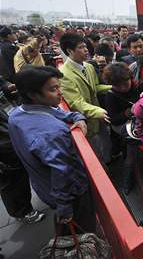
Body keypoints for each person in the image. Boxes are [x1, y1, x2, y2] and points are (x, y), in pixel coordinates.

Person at [8, 66, 95, 233]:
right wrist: (65, 208)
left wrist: (78, 117)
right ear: (33, 94)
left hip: (44, 188)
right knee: (82, 235)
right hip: (71, 196)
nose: (60, 93)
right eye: (53, 89)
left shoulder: (17, 114)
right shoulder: (51, 133)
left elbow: (59, 114)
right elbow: (62, 172)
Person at [58, 33, 113, 163]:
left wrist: (113, 87)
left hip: (99, 117)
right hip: (87, 120)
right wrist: (97, 111)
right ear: (69, 51)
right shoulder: (64, 74)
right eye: (81, 47)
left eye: (86, 46)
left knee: (105, 147)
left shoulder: (88, 66)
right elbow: (76, 102)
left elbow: (96, 87)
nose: (86, 50)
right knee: (94, 154)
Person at [0, 82, 45, 224]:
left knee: (20, 175)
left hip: (9, 134)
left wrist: (7, 88)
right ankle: (23, 212)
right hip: (4, 148)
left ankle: (23, 208)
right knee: (12, 182)